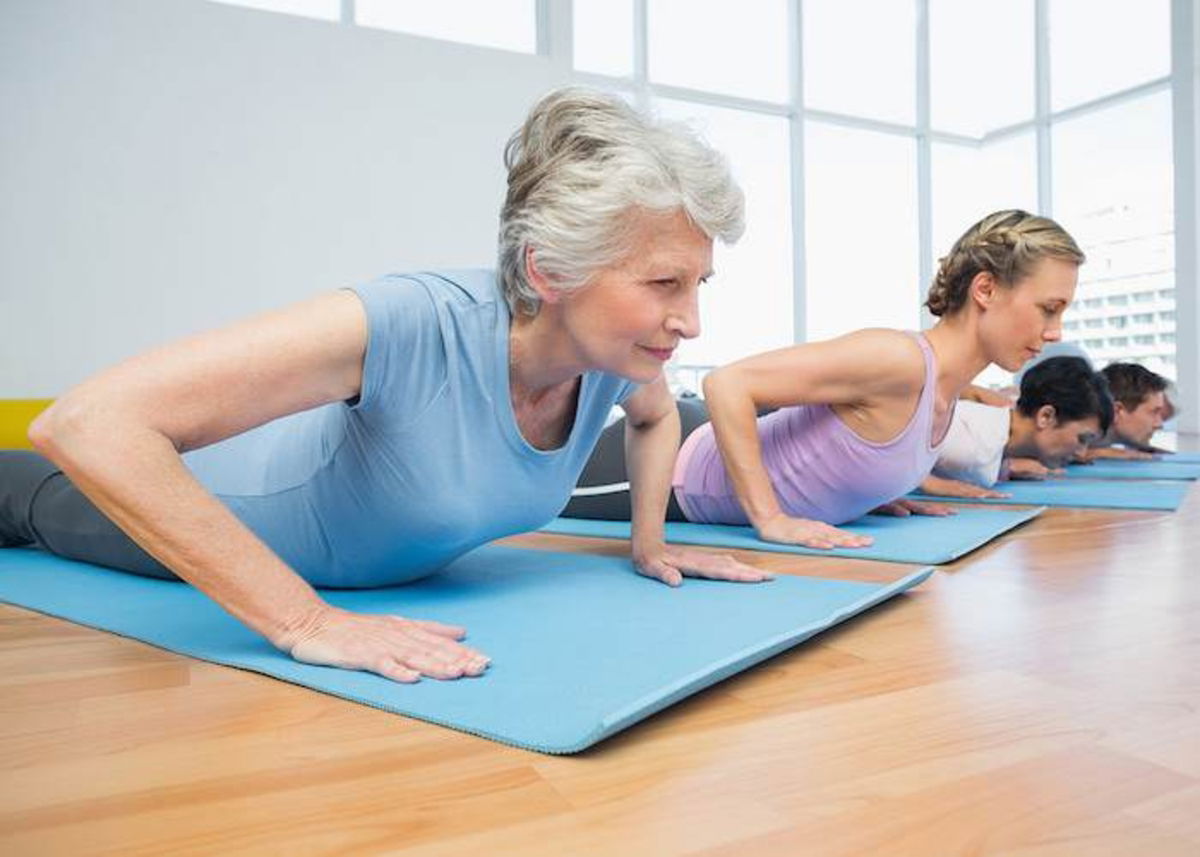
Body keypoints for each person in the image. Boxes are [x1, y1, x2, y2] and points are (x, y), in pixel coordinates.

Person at [0, 87, 770, 685]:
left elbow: (655, 418)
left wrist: (649, 543)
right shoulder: (413, 319)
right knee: (22, 496)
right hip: (190, 516)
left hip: (354, 556)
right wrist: (306, 621)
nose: (691, 321)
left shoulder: (614, 362)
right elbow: (89, 424)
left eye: (700, 281)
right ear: (549, 270)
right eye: (665, 281)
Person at [562, 209, 1085, 549]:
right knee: (533, 503)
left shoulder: (942, 390)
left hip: (699, 452)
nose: (1056, 331)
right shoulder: (898, 359)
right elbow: (727, 384)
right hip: (674, 470)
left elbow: (845, 446)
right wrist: (770, 518)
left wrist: (870, 490)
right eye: (1049, 308)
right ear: (987, 289)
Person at [917, 356, 1113, 499]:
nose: (1081, 453)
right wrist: (923, 481)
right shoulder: (970, 446)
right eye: (1082, 439)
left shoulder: (993, 438)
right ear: (1045, 416)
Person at [1077, 362, 1171, 460]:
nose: (1159, 424)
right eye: (1153, 412)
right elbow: (1070, 451)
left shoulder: (1102, 432)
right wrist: (1102, 453)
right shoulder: (1078, 426)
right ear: (1117, 411)